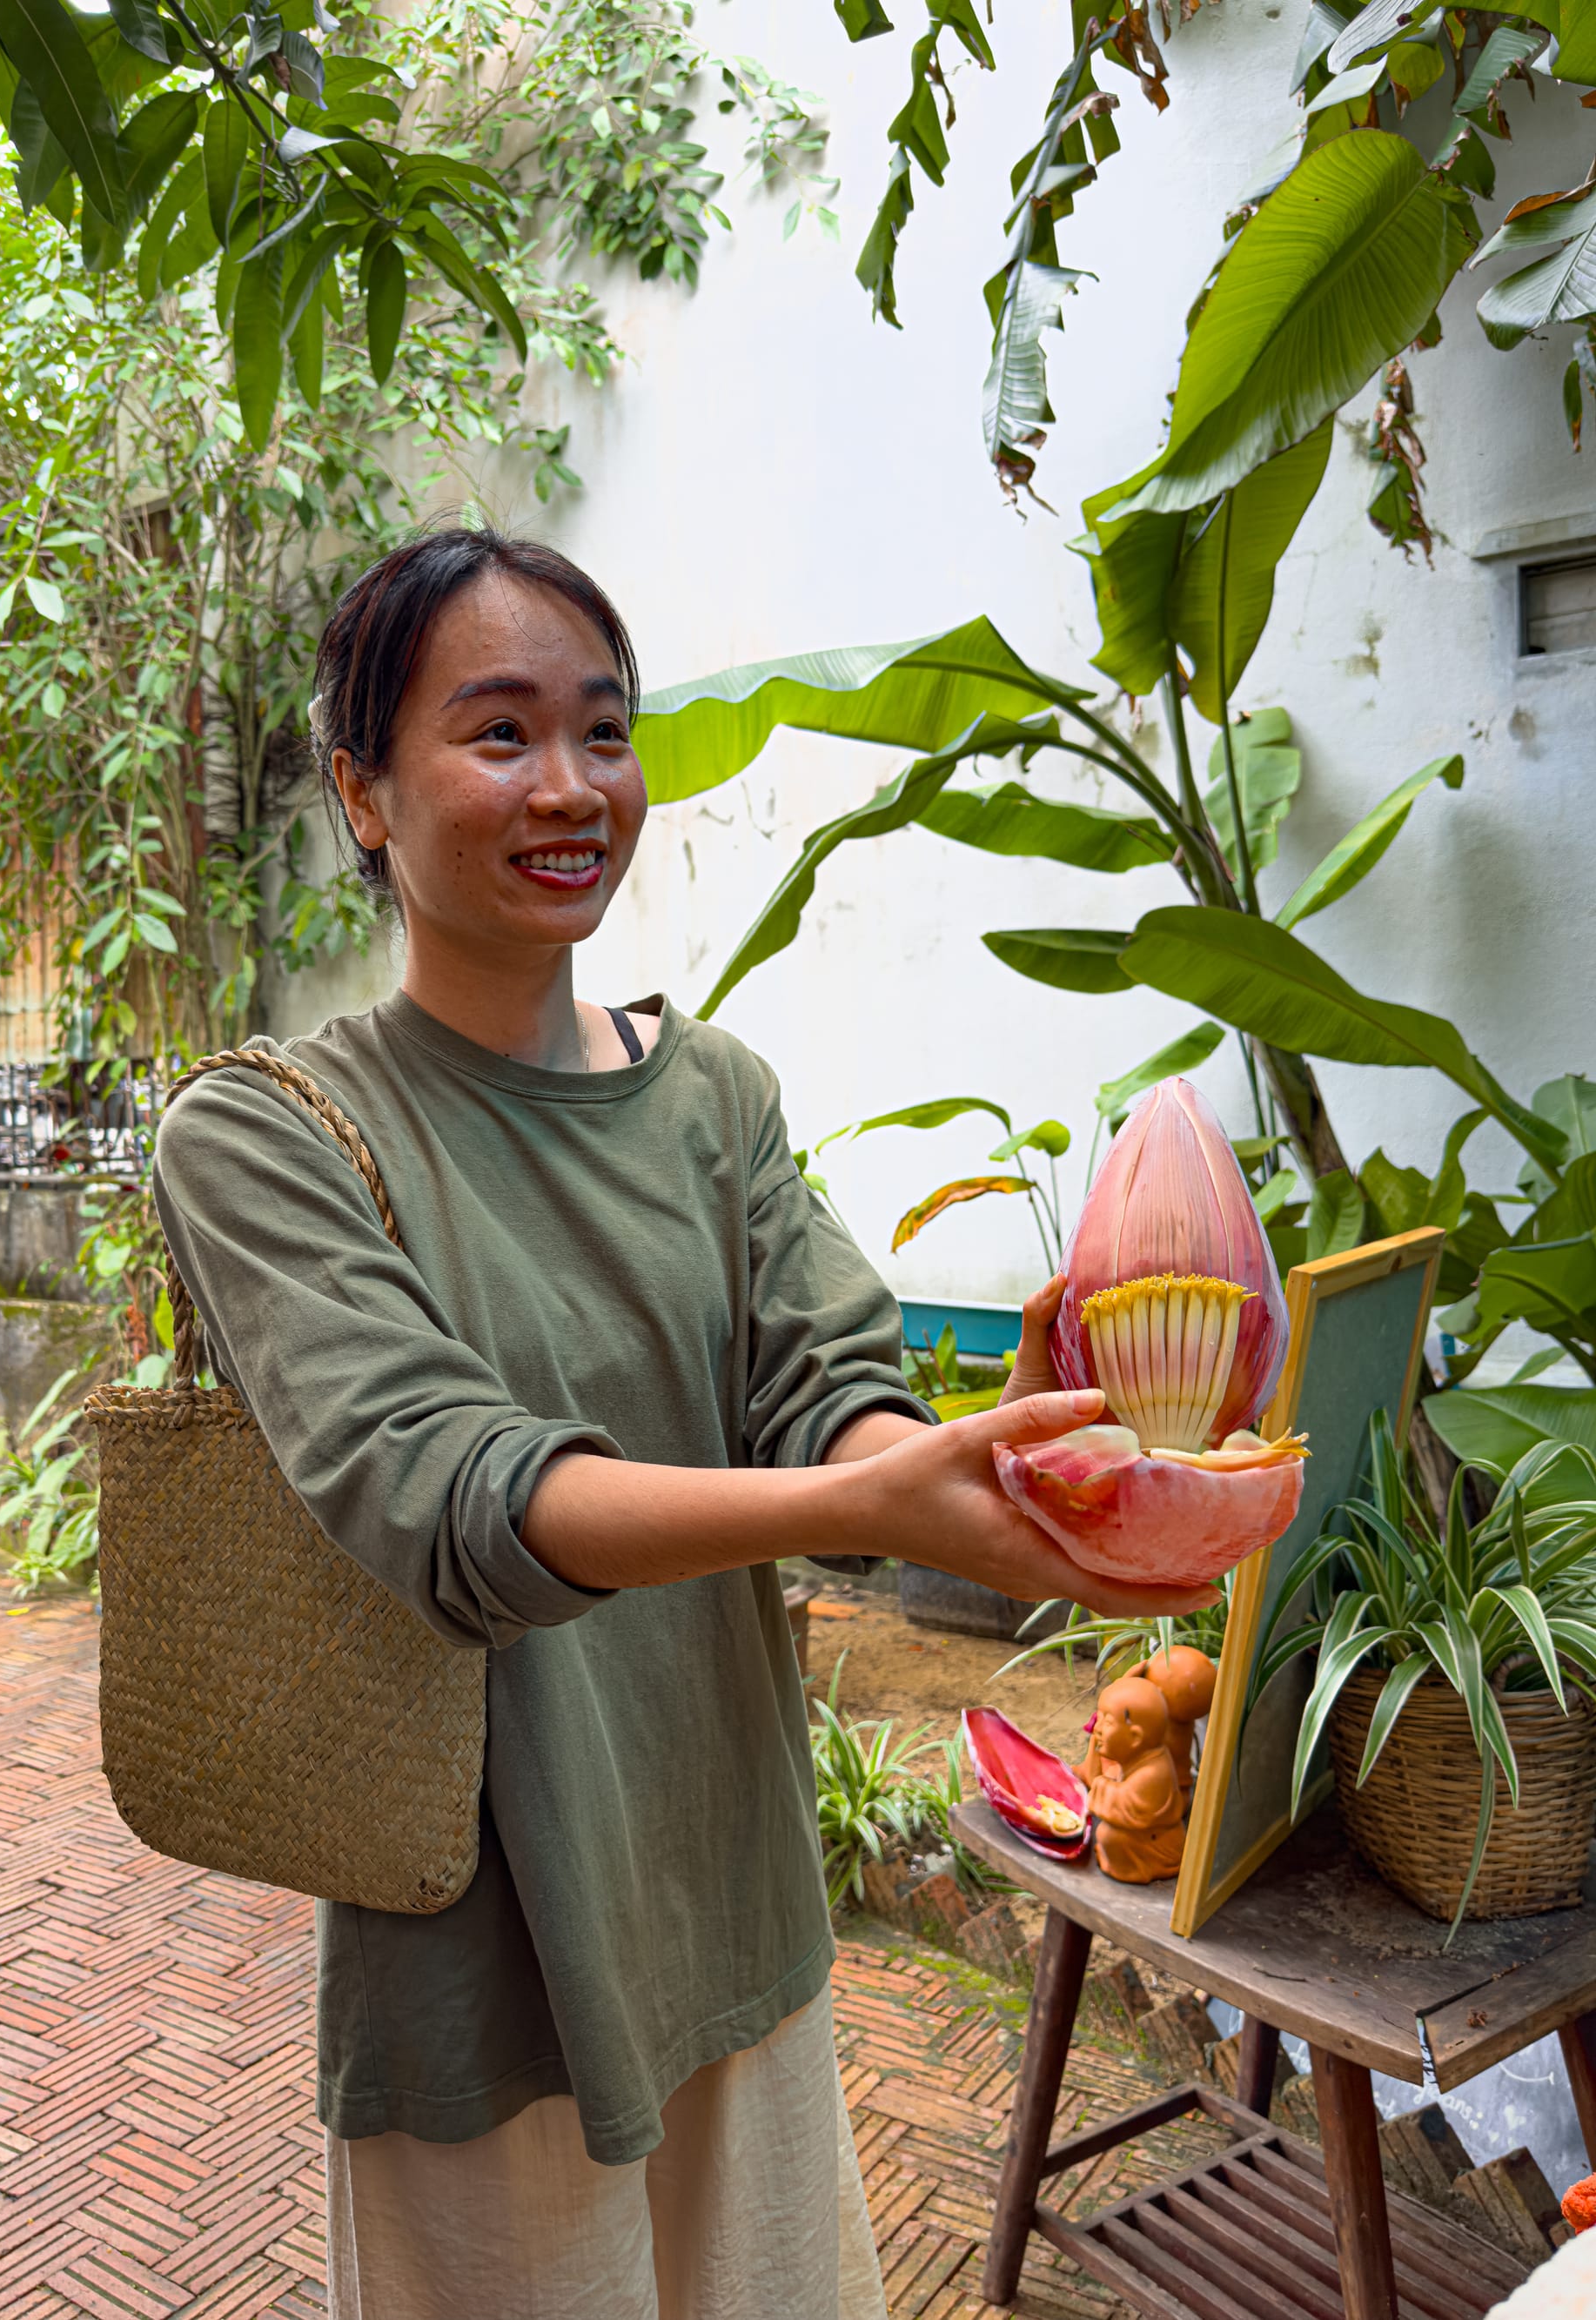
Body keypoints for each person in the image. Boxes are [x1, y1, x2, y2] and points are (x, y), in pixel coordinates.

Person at [151, 526, 1215, 2320]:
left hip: (736, 1907)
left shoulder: (714, 1096)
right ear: (361, 790)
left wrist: (975, 1467)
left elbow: (832, 1389)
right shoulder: (263, 1135)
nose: (570, 787)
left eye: (604, 730)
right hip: (484, 1980)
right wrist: (872, 1496)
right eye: (497, 734)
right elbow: (450, 1495)